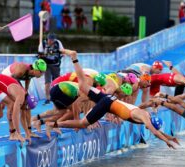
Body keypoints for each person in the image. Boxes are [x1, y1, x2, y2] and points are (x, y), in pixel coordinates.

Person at [49, 49, 178, 149]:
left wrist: (170, 137)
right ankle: (53, 124)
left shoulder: (144, 117)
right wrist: (167, 141)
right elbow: (155, 132)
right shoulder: (144, 117)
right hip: (107, 103)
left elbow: (155, 130)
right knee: (83, 122)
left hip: (109, 100)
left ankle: (74, 58)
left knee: (83, 86)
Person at [1, 59, 47, 137]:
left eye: (43, 72)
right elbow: (11, 80)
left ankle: (29, 131)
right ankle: (13, 132)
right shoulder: (21, 70)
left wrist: (25, 90)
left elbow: (28, 78)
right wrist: (21, 95)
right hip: (6, 78)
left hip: (14, 80)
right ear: (36, 69)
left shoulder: (33, 73)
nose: (42, 75)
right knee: (14, 105)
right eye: (41, 72)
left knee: (27, 106)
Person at [38, 33, 64, 105]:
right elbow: (39, 54)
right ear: (47, 38)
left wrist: (59, 54)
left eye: (52, 40)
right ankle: (47, 98)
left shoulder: (58, 43)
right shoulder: (43, 44)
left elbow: (63, 52)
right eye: (49, 40)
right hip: (46, 65)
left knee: (57, 81)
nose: (51, 41)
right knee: (47, 82)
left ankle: (58, 97)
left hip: (55, 65)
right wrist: (43, 56)